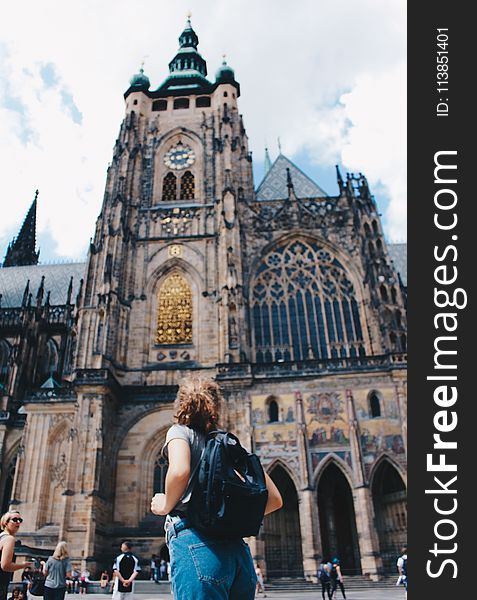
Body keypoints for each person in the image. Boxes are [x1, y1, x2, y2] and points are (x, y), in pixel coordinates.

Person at [150, 376, 283, 600]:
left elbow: (180, 471)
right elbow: (275, 499)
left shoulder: (179, 431)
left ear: (180, 404)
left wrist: (166, 504)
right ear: (217, 406)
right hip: (238, 555)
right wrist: (231, 519)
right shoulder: (229, 443)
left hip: (196, 545)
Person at [0, 511, 33, 600]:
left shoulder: (1, 536)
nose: (18, 522)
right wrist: (23, 565)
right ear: (6, 523)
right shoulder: (9, 539)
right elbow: (5, 566)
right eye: (14, 520)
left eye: (20, 520)